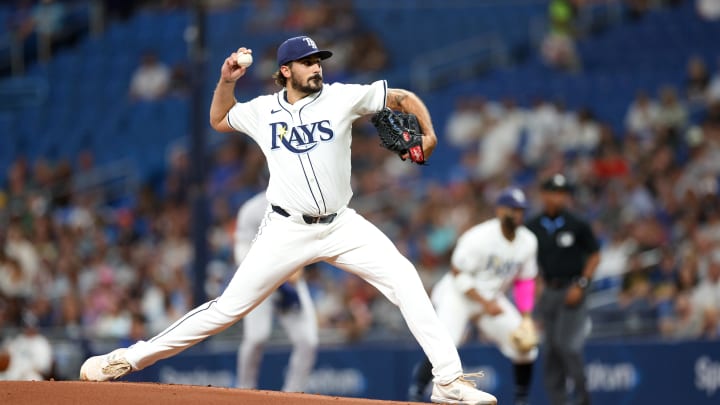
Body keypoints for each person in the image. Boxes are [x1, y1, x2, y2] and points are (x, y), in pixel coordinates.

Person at [79, 35, 497, 405]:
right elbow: (220, 120)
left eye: (320, 61)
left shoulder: (340, 97)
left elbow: (401, 98)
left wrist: (429, 131)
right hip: (286, 228)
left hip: (341, 225)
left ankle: (448, 381)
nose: (318, 67)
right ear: (286, 70)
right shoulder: (263, 110)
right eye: (309, 62)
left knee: (405, 280)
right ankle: (127, 359)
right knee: (226, 309)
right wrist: (227, 80)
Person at [408, 187, 539, 405]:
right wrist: (484, 303)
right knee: (445, 344)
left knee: (525, 345)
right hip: (458, 296)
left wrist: (526, 316)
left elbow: (525, 281)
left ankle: (521, 399)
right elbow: (458, 273)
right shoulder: (479, 237)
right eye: (511, 209)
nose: (515, 214)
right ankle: (416, 392)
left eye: (520, 210)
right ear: (499, 210)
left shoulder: (528, 241)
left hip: (492, 299)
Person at [525, 174, 600, 405]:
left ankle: (583, 397)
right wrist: (535, 285)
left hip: (572, 289)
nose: (560, 197)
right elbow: (527, 259)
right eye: (555, 192)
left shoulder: (577, 224)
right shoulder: (533, 226)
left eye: (564, 193)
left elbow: (595, 255)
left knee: (567, 345)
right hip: (548, 290)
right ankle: (559, 401)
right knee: (550, 350)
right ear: (544, 195)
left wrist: (583, 283)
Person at [233, 191, 318, 392]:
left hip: (289, 281)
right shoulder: (252, 209)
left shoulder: (302, 203)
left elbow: (308, 242)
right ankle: (244, 390)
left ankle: (293, 393)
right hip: (259, 282)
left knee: (308, 340)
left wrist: (295, 270)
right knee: (256, 337)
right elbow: (241, 251)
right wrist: (266, 274)